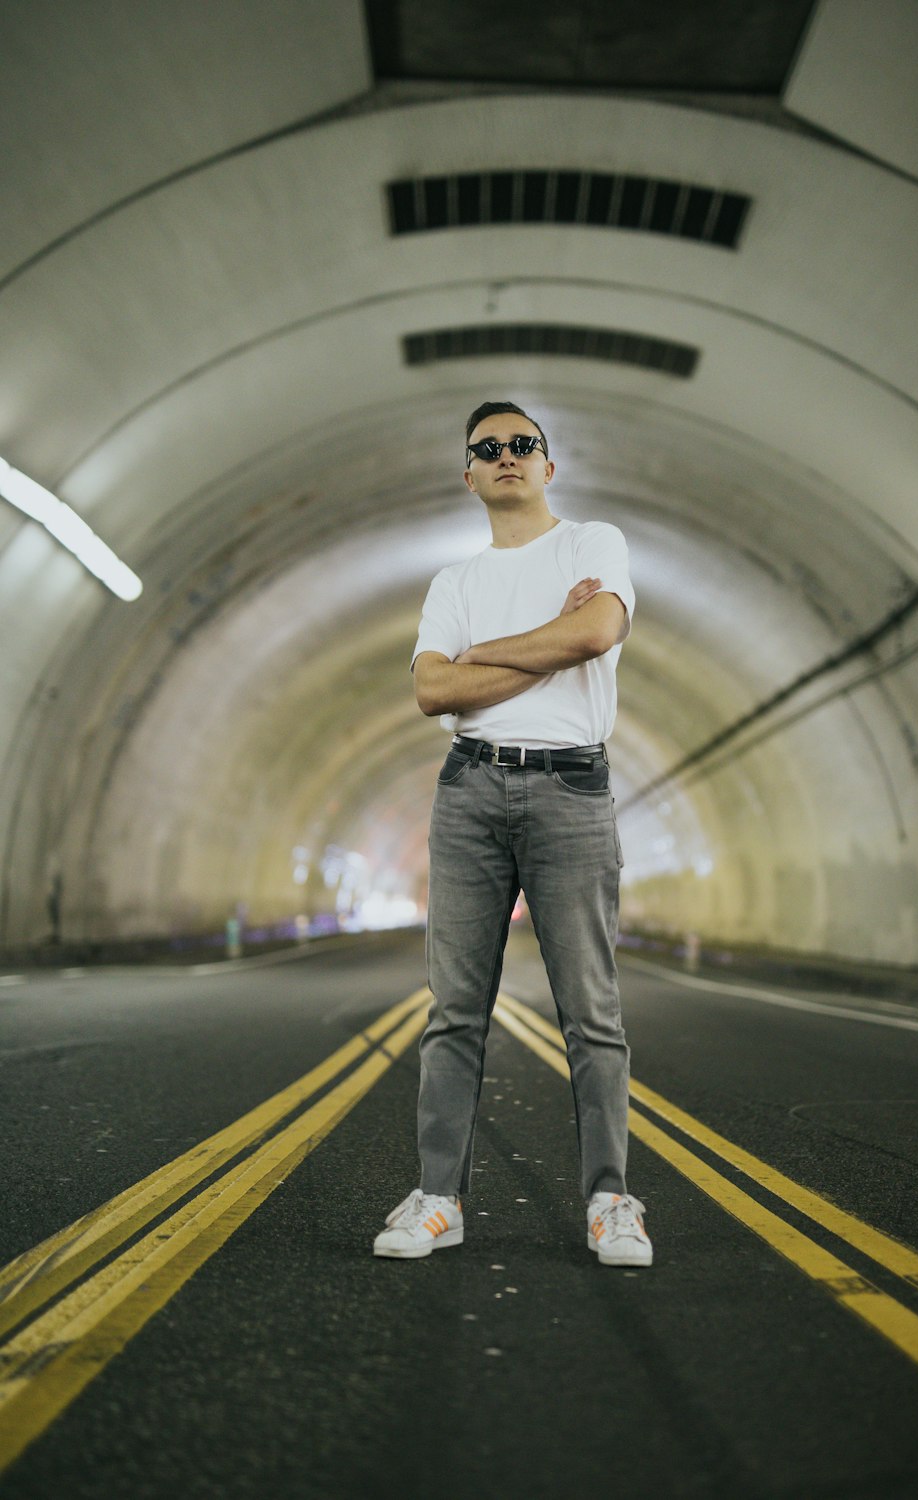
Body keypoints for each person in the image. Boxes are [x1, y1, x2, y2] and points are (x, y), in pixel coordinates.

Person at [373, 401, 652, 1267]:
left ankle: (612, 1200)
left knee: (591, 1013)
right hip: (470, 791)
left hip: (571, 787)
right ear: (468, 474)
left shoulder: (591, 544)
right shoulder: (452, 583)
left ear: (548, 465)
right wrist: (548, 645)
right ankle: (438, 1199)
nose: (507, 457)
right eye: (487, 449)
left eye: (522, 445)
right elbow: (430, 693)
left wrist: (478, 661)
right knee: (454, 1012)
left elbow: (599, 628)